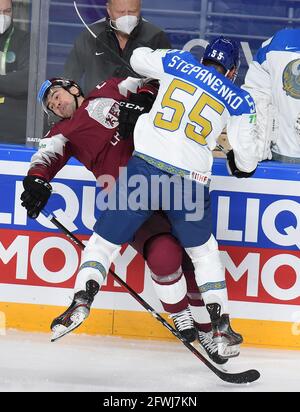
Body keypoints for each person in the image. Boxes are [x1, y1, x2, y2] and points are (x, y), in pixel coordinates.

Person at [46, 36, 260, 360]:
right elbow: (247, 163)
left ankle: (80, 300)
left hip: (145, 167)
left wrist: (163, 68)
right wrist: (234, 158)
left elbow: (137, 59)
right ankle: (221, 326)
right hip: (189, 180)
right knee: (203, 254)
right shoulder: (240, 99)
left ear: (203, 59)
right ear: (232, 71)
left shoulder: (179, 63)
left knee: (102, 245)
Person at [20, 75, 228, 364]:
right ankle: (182, 316)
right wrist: (36, 181)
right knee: (165, 255)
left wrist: (143, 97)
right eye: (51, 104)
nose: (56, 104)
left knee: (194, 257)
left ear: (74, 88)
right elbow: (44, 159)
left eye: (56, 94)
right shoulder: (63, 131)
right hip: (127, 197)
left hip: (172, 177)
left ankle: (208, 329)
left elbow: (154, 81)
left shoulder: (111, 87)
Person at [63, 0, 171, 95]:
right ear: (109, 10)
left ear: (140, 8)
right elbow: (68, 78)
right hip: (96, 110)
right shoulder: (90, 36)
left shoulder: (155, 36)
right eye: (121, 12)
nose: (127, 17)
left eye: (132, 12)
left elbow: (169, 80)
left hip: (140, 112)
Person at [242, 28, 300, 163]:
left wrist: (258, 152)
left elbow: (255, 99)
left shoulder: (274, 44)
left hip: (281, 154)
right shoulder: (274, 45)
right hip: (281, 154)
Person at [0, 0, 30, 144]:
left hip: (12, 129)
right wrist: (7, 82)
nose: (3, 16)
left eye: (7, 11)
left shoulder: (24, 39)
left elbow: (26, 80)